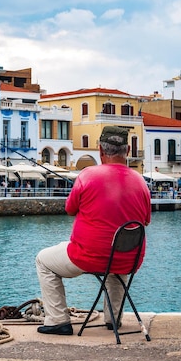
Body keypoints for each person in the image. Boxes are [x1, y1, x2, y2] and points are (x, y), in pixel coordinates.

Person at [35, 126, 152, 335]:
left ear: (100, 151)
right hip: (129, 259)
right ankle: (113, 319)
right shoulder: (141, 182)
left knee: (43, 260)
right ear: (127, 151)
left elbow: (70, 209)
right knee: (116, 265)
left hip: (88, 256)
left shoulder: (87, 175)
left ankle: (57, 320)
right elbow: (146, 220)